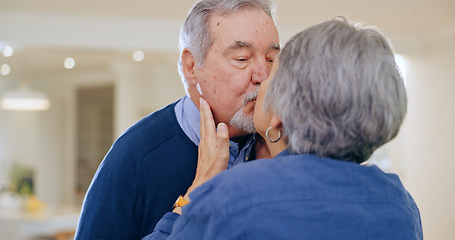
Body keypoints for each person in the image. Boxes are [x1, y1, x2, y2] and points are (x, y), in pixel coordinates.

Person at [144, 17, 423, 239]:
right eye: (242, 59)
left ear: (279, 115)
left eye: (271, 71)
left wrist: (196, 192)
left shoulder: (233, 196)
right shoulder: (400, 203)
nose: (259, 79)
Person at [75, 0, 280, 239]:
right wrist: (193, 199)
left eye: (271, 59)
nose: (263, 76)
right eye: (242, 59)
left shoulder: (283, 146)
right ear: (191, 66)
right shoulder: (135, 157)